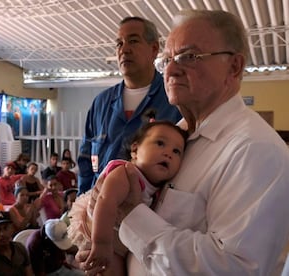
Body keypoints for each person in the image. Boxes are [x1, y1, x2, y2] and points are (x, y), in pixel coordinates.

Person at [79, 10, 289, 276]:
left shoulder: (256, 151)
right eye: (166, 59)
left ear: (234, 67)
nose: (171, 69)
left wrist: (130, 216)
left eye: (189, 57)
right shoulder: (173, 137)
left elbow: (232, 268)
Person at [77, 16, 182, 195]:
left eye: (133, 41)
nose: (124, 49)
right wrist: (80, 206)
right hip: (97, 209)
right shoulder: (101, 103)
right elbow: (86, 159)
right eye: (119, 44)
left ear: (154, 49)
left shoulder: (174, 101)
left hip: (151, 213)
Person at [70, 121, 187, 275]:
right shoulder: (125, 172)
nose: (168, 153)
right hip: (102, 233)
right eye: (160, 143)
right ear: (135, 149)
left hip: (120, 242)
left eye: (176, 151)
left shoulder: (157, 187)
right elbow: (106, 201)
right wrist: (102, 243)